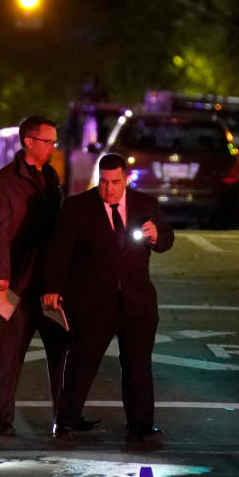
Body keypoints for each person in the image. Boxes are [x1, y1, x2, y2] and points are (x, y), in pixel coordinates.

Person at [42, 153, 174, 440]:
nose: (108, 188)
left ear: (125, 179)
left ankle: (141, 424)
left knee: (138, 365)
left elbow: (166, 239)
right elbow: (60, 251)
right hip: (93, 301)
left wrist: (155, 236)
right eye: (103, 182)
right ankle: (65, 420)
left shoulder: (144, 204)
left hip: (136, 300)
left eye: (115, 182)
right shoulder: (78, 207)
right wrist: (52, 287)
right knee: (82, 361)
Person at [0, 116, 70, 436]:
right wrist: (1, 276)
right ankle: (2, 416)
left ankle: (65, 415)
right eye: (48, 141)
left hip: (48, 283)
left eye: (54, 142)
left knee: (61, 350)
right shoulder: (3, 182)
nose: (53, 148)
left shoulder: (51, 178)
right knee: (7, 351)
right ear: (29, 142)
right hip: (15, 283)